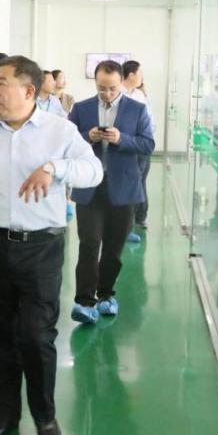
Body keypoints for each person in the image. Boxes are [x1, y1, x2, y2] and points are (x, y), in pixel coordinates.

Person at [0, 56, 103, 435]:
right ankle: (4, 414)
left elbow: (93, 171)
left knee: (36, 336)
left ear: (29, 90)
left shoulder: (60, 131)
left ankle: (45, 416)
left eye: (1, 83)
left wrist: (55, 168)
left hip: (41, 249)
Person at [67, 60, 155, 324]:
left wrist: (121, 139)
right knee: (89, 242)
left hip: (123, 188)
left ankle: (105, 294)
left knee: (114, 247)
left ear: (121, 83)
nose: (107, 93)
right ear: (95, 83)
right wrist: (88, 136)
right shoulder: (81, 108)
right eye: (101, 88)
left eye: (112, 88)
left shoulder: (137, 109)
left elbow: (148, 144)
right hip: (89, 188)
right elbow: (66, 141)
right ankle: (84, 301)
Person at [122, 60, 155, 237]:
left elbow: (149, 120)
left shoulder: (139, 95)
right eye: (140, 73)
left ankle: (140, 217)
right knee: (129, 183)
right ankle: (126, 224)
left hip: (142, 145)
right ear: (131, 75)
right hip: (127, 145)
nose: (142, 77)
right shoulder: (118, 94)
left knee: (141, 181)